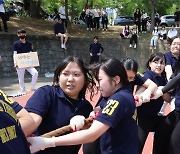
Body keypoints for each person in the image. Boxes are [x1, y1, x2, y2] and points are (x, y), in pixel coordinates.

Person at [27, 58, 139, 154]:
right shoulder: (47, 93)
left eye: (100, 80)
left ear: (116, 80)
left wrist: (47, 142)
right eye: (65, 74)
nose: (98, 85)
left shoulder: (118, 99)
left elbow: (92, 134)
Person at [25, 56, 96, 154]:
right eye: (65, 74)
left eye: (76, 74)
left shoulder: (86, 108)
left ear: (85, 79)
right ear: (59, 76)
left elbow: (87, 136)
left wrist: (85, 128)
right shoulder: (46, 93)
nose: (70, 79)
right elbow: (32, 120)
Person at [136, 52, 171, 154]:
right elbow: (140, 93)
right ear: (150, 64)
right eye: (155, 62)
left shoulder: (164, 78)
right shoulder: (148, 75)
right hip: (143, 119)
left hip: (156, 118)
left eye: (162, 63)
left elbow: (168, 99)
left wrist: (162, 90)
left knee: (167, 128)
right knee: (137, 146)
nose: (159, 65)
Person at [152, 54, 180, 154]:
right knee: (161, 132)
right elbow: (173, 78)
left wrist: (161, 91)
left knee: (174, 142)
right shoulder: (177, 64)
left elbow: (177, 79)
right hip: (177, 110)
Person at [13, 29, 38, 93]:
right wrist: (15, 63)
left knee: (35, 73)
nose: (21, 35)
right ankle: (23, 89)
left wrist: (33, 61)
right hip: (20, 63)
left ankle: (32, 87)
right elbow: (15, 54)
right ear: (18, 35)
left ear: (25, 34)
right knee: (21, 77)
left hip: (28, 62)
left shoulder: (29, 43)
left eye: (23, 33)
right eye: (20, 33)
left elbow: (31, 53)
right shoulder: (16, 44)